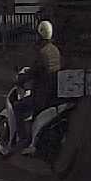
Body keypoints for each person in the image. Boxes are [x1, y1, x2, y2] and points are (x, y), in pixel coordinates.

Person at [22, 20, 62, 155]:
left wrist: (21, 79)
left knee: (21, 108)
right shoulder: (55, 50)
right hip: (53, 90)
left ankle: (30, 143)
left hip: (42, 92)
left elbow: (33, 72)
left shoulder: (42, 53)